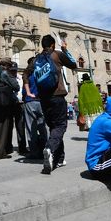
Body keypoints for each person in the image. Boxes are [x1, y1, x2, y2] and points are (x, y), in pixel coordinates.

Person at [37, 34, 77, 175]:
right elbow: (74, 65)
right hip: (57, 95)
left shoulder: (37, 58)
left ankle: (59, 159)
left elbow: (27, 74)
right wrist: (65, 50)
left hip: (43, 98)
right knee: (60, 126)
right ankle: (50, 148)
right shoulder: (57, 54)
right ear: (53, 45)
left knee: (54, 128)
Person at [22, 58, 47, 159]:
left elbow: (24, 91)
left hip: (30, 102)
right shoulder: (42, 73)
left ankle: (34, 152)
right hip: (41, 101)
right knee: (43, 127)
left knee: (30, 128)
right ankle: (46, 149)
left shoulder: (27, 75)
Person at [10, 63, 28, 155]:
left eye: (14, 70)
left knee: (20, 126)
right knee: (8, 126)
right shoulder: (7, 78)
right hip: (10, 104)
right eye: (12, 70)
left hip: (20, 104)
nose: (13, 72)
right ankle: (8, 147)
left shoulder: (21, 78)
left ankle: (22, 147)